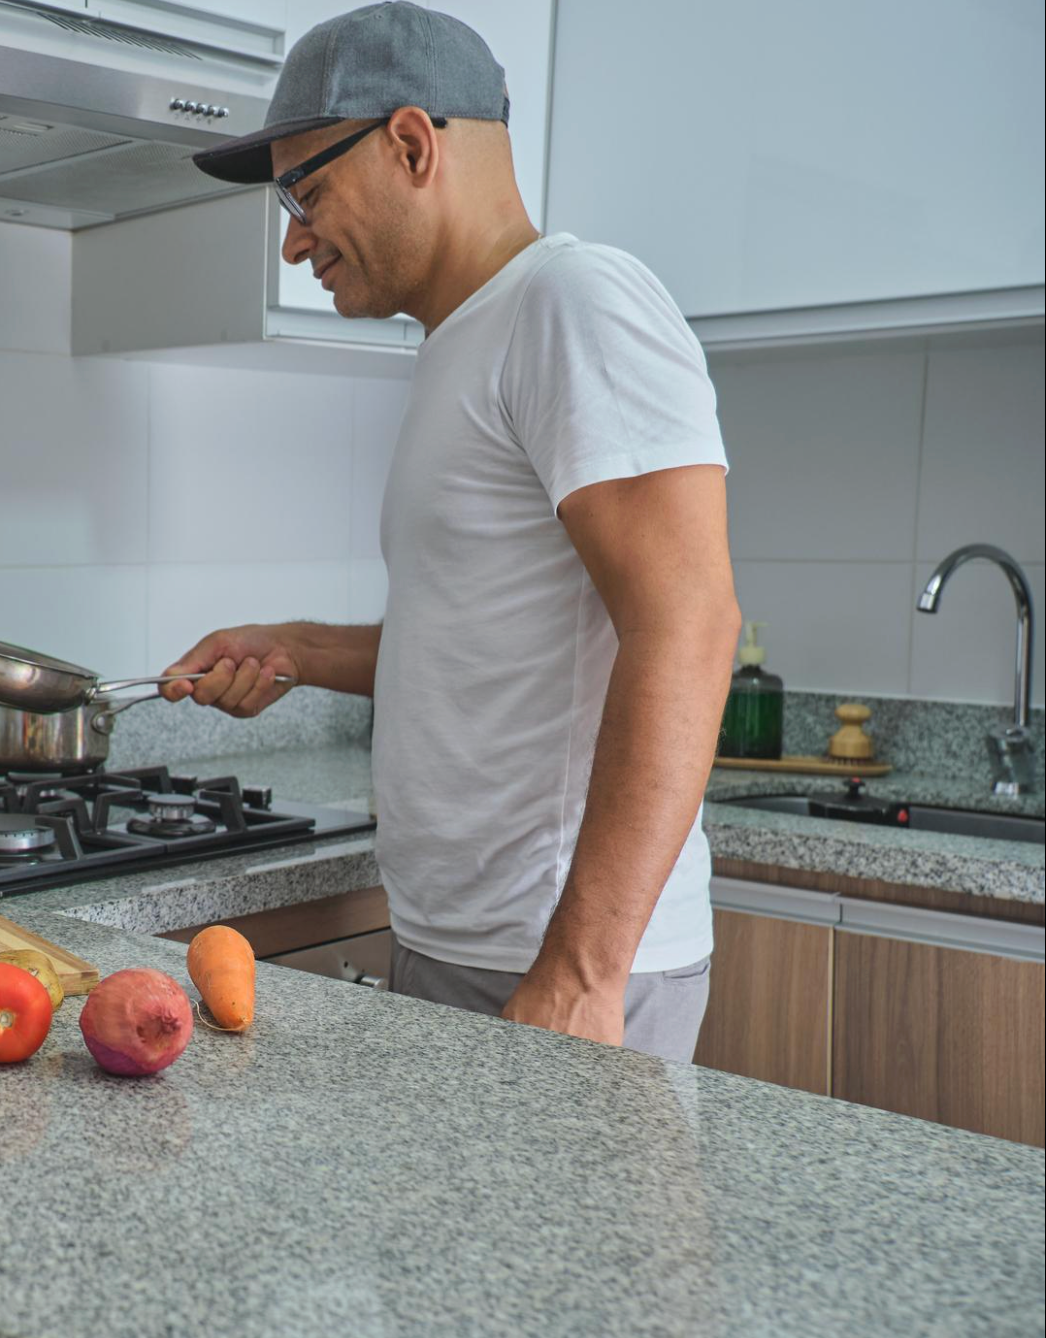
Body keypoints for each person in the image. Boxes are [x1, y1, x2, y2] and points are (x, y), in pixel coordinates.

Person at [168, 2, 741, 1063]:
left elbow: (689, 625)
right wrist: (298, 650)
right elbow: (488, 637)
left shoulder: (575, 303)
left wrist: (581, 973)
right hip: (462, 948)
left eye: (307, 191)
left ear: (413, 143)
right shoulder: (467, 340)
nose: (294, 239)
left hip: (554, 969)